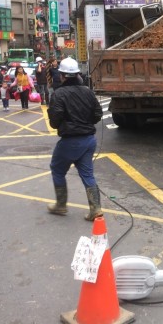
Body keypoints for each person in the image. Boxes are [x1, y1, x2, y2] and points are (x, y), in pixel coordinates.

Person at [46, 57, 103, 221]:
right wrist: (85, 123)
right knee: (87, 174)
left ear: (62, 76)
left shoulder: (59, 94)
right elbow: (98, 114)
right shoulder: (87, 91)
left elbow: (55, 122)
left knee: (57, 169)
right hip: (89, 140)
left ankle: (61, 205)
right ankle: (96, 209)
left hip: (70, 141)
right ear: (77, 74)